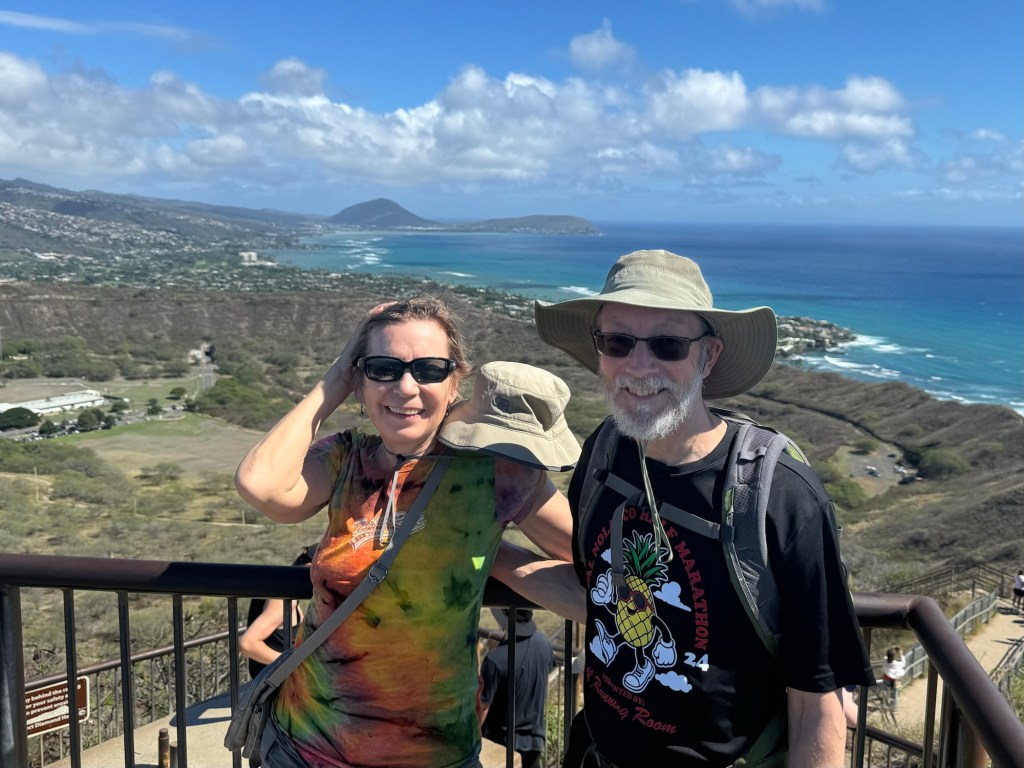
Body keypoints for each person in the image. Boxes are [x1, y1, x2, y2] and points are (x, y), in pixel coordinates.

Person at [491, 249, 875, 768]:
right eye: (618, 341)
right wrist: (479, 550)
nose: (638, 366)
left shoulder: (781, 498)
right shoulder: (605, 453)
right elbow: (594, 596)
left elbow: (816, 707)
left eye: (668, 344)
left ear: (708, 356)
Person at [234, 297, 580, 768]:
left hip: (435, 753)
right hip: (305, 746)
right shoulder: (345, 459)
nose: (405, 387)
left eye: (429, 370)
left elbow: (591, 563)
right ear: (361, 381)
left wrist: (490, 552)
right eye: (383, 368)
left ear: (455, 382)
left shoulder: (495, 472)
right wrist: (337, 376)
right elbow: (262, 486)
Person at [479, 608, 555, 768]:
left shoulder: (495, 659)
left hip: (503, 746)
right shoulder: (544, 644)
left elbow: (483, 707)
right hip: (535, 742)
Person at [239, 543, 317, 679]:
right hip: (276, 684)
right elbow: (247, 643)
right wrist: (294, 665)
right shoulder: (283, 599)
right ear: (309, 567)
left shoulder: (283, 589)